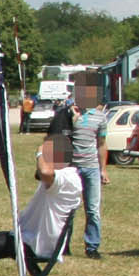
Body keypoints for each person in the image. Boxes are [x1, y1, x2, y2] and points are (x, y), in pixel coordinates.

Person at [0, 133, 82, 267]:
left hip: (38, 245)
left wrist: (40, 152)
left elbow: (45, 172)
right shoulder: (65, 177)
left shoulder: (67, 178)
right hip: (33, 239)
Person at [47, 99, 100, 258]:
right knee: (69, 208)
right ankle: (64, 245)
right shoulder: (67, 115)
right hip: (72, 168)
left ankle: (92, 247)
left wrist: (103, 169)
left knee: (93, 209)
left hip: (92, 168)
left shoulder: (99, 116)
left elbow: (102, 143)